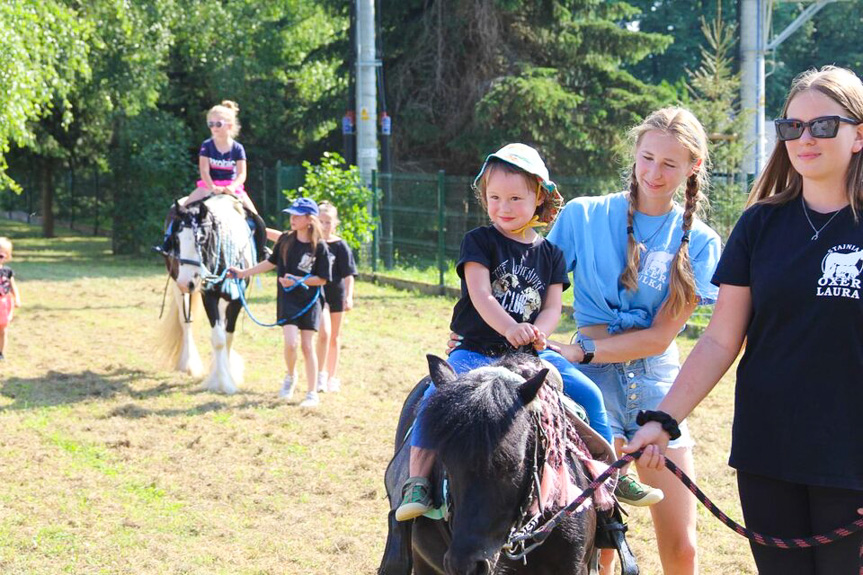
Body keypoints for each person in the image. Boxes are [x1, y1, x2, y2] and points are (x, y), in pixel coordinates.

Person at [625, 67, 863, 575]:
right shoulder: (760, 224)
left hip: (853, 463)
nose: (805, 138)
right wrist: (662, 421)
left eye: (824, 126)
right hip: (767, 455)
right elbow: (718, 340)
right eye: (792, 126)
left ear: (858, 134)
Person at [396, 143, 624, 522]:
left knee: (589, 392)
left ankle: (607, 474)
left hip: (530, 354)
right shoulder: (479, 241)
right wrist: (511, 327)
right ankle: (418, 480)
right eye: (494, 197)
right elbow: (481, 295)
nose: (503, 207)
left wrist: (539, 333)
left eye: (515, 197)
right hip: (475, 349)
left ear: (539, 198)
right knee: (435, 396)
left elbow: (553, 306)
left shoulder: (551, 254)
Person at [545, 107, 721, 574]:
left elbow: (661, 336)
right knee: (599, 542)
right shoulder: (582, 215)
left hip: (658, 384)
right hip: (589, 383)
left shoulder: (700, 242)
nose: (654, 174)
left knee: (681, 548)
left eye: (669, 164)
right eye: (647, 158)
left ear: (693, 167)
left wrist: (581, 349)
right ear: (634, 154)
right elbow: (537, 289)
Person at [228, 198, 331, 408]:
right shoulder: (285, 241)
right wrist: (243, 273)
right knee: (291, 343)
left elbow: (322, 279)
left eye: (297, 215)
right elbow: (270, 262)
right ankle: (291, 376)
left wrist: (298, 280)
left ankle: (311, 393)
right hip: (288, 300)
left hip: (310, 302)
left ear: (309, 220)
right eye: (291, 215)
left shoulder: (319, 247)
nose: (292, 219)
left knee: (306, 345)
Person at [156, 101, 266, 260]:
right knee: (180, 209)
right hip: (208, 186)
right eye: (211, 123)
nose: (214, 127)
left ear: (229, 125)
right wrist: (212, 186)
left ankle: (261, 250)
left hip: (233, 189)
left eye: (218, 124)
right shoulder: (207, 146)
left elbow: (242, 174)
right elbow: (204, 170)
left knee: (256, 217)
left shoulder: (237, 148)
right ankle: (167, 244)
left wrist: (232, 187)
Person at [315, 202, 357, 393]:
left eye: (328, 222)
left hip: (337, 295)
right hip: (318, 294)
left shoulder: (340, 246)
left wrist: (349, 296)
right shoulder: (312, 243)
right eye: (321, 221)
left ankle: (332, 376)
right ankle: (320, 375)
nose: (324, 225)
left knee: (334, 337)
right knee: (324, 333)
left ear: (335, 223)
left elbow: (349, 275)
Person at [0, 237, 21, 361]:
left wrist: (17, 298)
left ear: (7, 257)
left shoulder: (7, 272)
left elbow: (13, 286)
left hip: (3, 303)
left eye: (1, 256)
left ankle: (0, 352)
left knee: (2, 329)